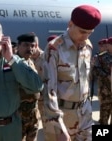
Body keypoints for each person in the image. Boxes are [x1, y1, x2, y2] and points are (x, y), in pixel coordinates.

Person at [43, 5, 101, 141]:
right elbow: (48, 90)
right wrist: (59, 126)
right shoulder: (54, 48)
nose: (85, 36)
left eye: (89, 32)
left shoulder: (87, 46)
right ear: (70, 24)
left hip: (85, 114)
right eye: (82, 31)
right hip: (62, 115)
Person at [16, 33, 41, 141]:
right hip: (18, 115)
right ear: (18, 46)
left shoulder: (31, 62)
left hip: (33, 114)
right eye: (26, 45)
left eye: (32, 46)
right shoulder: (12, 64)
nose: (30, 48)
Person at [92, 37, 112, 125]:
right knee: (104, 118)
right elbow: (95, 70)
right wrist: (107, 75)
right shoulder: (101, 57)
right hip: (106, 92)